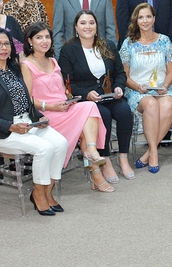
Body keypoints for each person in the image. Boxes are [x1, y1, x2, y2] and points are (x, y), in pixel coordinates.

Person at [0, 28, 69, 216]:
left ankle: (46, 192)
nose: (3, 48)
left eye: (7, 44)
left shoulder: (15, 69)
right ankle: (39, 194)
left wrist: (38, 117)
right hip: (4, 131)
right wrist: (11, 126)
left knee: (61, 143)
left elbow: (26, 99)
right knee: (45, 149)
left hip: (27, 123)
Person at [20, 22, 112, 193]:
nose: (44, 41)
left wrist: (70, 100)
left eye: (47, 37)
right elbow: (28, 99)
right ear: (30, 41)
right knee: (86, 122)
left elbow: (62, 89)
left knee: (89, 107)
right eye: (39, 37)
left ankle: (91, 150)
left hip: (64, 108)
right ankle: (96, 173)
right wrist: (51, 106)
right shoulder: (26, 65)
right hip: (46, 113)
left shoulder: (53, 61)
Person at [60, 10, 135, 180]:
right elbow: (66, 82)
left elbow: (120, 73)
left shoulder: (107, 45)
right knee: (104, 115)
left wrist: (118, 87)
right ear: (76, 27)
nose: (88, 26)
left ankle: (123, 158)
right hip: (88, 101)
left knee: (124, 113)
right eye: (83, 23)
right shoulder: (68, 50)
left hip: (110, 95)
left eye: (91, 23)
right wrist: (86, 93)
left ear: (96, 26)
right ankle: (106, 160)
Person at [118, 3, 172, 173]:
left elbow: (171, 69)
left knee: (167, 105)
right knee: (151, 104)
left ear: (154, 19)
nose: (145, 20)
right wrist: (138, 87)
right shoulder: (128, 43)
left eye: (148, 16)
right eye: (141, 17)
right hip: (138, 90)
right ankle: (153, 153)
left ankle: (149, 151)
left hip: (162, 88)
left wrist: (166, 86)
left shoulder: (164, 40)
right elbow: (124, 75)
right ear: (136, 21)